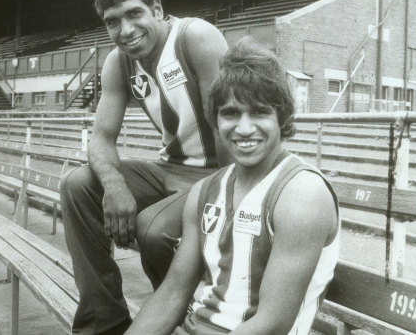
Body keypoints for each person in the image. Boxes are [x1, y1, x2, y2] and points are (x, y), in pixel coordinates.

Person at [125, 37, 340, 335]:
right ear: (215, 119)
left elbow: (272, 323)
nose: (244, 128)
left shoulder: (302, 194)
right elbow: (172, 293)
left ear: (282, 117)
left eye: (260, 112)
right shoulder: (204, 191)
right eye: (230, 113)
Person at [60, 0, 229, 334]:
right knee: (77, 185)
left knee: (153, 230)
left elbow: (229, 134)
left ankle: (184, 321)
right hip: (170, 169)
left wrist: (218, 195)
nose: (126, 30)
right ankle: (103, 321)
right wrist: (116, 185)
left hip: (219, 173)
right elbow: (102, 137)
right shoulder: (118, 63)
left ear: (156, 9)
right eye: (112, 20)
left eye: (134, 14)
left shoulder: (196, 39)